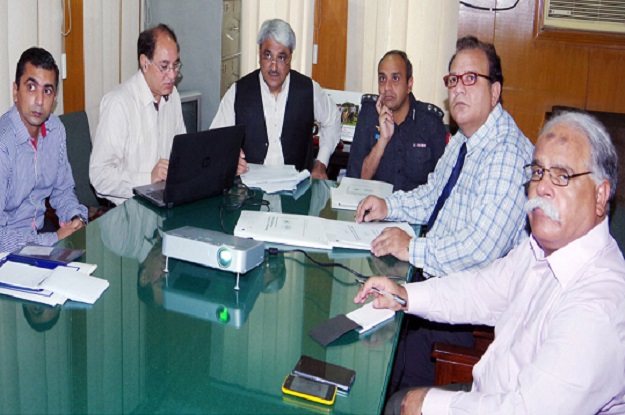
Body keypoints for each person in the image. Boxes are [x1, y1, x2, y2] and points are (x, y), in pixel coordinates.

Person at [356, 111, 625, 415]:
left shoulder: (599, 306)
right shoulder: (540, 249)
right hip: (490, 393)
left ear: (601, 195)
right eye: (537, 172)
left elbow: (527, 410)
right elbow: (480, 289)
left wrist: (430, 404)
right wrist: (405, 295)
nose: (542, 187)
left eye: (562, 175)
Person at [355, 36, 534, 390]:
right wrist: (389, 206)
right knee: (367, 337)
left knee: (381, 370)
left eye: (471, 79)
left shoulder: (507, 155)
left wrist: (412, 248)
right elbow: (432, 194)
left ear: (495, 91)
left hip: (466, 319)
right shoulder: (467, 140)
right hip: (435, 287)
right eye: (453, 80)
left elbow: (479, 252)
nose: (458, 90)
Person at [210, 18, 340, 179]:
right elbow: (216, 139)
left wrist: (320, 163)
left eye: (281, 57)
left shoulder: (308, 89)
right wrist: (230, 158)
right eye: (268, 55)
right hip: (249, 192)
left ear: (291, 58)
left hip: (297, 191)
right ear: (259, 55)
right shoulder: (238, 91)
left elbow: (333, 119)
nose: (273, 67)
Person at [0, 47, 88, 253]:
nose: (39, 101)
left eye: (47, 91)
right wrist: (53, 239)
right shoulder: (3, 143)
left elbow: (63, 191)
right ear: (15, 91)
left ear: (55, 98)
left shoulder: (55, 129)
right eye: (31, 87)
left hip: (42, 234)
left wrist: (75, 218)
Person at [90, 23, 186, 205]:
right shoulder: (119, 104)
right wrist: (147, 178)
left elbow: (180, 153)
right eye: (164, 66)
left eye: (175, 66)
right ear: (144, 63)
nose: (172, 75)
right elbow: (99, 176)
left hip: (164, 204)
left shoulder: (173, 97)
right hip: (127, 212)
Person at [346, 50, 447, 191]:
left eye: (395, 78)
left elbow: (443, 186)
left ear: (409, 84)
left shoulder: (430, 122)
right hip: (375, 209)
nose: (387, 87)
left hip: (415, 210)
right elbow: (355, 182)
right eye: (382, 79)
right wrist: (382, 141)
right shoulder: (369, 115)